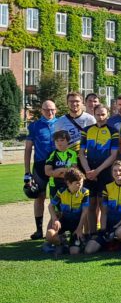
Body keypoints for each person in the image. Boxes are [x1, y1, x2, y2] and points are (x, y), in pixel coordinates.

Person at [79, 104, 119, 234]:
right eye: (98, 114)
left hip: (105, 171)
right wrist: (88, 171)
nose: (100, 117)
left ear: (107, 114)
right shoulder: (86, 130)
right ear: (93, 114)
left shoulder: (113, 132)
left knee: (103, 205)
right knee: (90, 205)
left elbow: (113, 155)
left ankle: (103, 232)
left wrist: (97, 171)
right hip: (89, 171)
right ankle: (91, 233)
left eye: (103, 114)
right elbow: (81, 153)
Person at [85, 161, 121, 254]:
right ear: (112, 173)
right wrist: (104, 230)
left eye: (120, 170)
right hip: (109, 224)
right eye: (115, 171)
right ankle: (111, 241)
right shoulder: (107, 187)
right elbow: (104, 212)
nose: (117, 173)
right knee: (89, 250)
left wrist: (116, 227)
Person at [24, 99, 57, 240]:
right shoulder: (34, 126)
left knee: (57, 197)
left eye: (52, 109)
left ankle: (58, 228)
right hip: (40, 165)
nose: (49, 112)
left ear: (56, 110)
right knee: (39, 197)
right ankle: (38, 230)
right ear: (41, 110)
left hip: (58, 164)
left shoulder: (61, 123)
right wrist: (27, 172)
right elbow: (27, 149)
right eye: (46, 109)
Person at [45, 167, 89, 256]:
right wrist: (55, 219)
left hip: (76, 224)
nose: (80, 185)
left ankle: (77, 241)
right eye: (77, 183)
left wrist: (80, 229)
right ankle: (61, 243)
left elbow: (85, 212)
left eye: (81, 182)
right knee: (50, 234)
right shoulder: (61, 192)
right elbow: (51, 206)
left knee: (74, 252)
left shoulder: (85, 192)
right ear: (68, 183)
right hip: (64, 221)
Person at [45, 130, 79, 199]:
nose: (59, 143)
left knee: (69, 207)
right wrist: (63, 170)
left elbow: (73, 171)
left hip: (69, 184)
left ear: (67, 141)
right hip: (54, 185)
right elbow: (48, 172)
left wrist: (58, 172)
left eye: (62, 140)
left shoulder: (73, 153)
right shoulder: (52, 154)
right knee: (55, 207)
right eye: (57, 141)